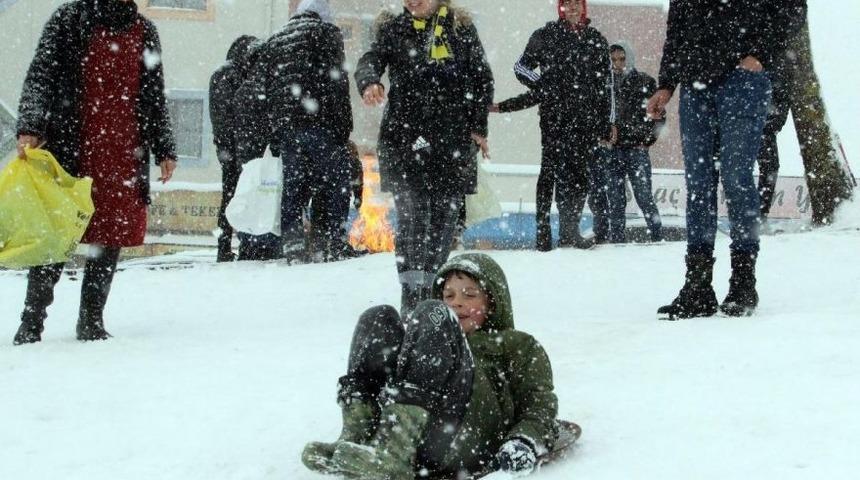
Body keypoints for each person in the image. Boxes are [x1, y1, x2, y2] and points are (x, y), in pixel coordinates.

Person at [301, 253, 559, 480]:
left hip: (466, 438)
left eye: (470, 294)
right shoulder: (428, 342)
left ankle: (394, 454)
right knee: (379, 317)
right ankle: (357, 436)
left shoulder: (517, 344)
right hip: (421, 439)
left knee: (432, 313)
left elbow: (540, 406)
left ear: (493, 302)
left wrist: (523, 441)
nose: (456, 302)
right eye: (449, 295)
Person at [12, 0, 176, 345]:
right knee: (57, 234)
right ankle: (31, 322)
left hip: (123, 153)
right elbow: (41, 74)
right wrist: (30, 126)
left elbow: (153, 94)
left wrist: (164, 147)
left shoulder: (145, 30)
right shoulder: (69, 19)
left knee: (110, 234)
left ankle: (91, 321)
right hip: (73, 147)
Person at [648, 0, 806, 319]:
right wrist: (666, 84)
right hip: (695, 82)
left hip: (743, 79)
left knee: (736, 178)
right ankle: (698, 286)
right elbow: (677, 28)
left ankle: (743, 282)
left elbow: (792, 8)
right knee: (699, 184)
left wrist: (760, 54)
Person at [355, 0, 494, 316]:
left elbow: (481, 78)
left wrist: (478, 128)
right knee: (413, 222)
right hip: (404, 141)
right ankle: (411, 298)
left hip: (451, 142)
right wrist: (370, 81)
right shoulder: (394, 28)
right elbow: (370, 59)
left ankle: (432, 297)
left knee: (443, 226)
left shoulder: (460, 29)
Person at [237, 0, 353, 264]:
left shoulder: (276, 39)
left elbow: (267, 89)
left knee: (293, 186)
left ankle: (293, 244)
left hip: (289, 128)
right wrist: (343, 127)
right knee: (334, 184)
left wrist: (276, 130)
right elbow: (338, 83)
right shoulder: (327, 33)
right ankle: (330, 242)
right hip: (322, 122)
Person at [511, 0, 612, 251]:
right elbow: (521, 67)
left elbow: (606, 85)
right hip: (553, 118)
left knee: (579, 175)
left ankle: (570, 232)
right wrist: (543, 85)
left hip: (585, 121)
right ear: (560, 8)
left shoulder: (596, 39)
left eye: (577, 3)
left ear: (584, 7)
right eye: (567, 3)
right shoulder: (545, 35)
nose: (573, 7)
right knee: (549, 172)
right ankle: (543, 234)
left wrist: (606, 121)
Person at [757, 12, 854, 227]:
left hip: (762, 123)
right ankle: (754, 215)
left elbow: (780, 100)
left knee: (766, 167)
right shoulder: (772, 57)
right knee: (761, 167)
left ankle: (756, 215)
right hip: (757, 121)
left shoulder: (777, 62)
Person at [603, 43, 663, 243]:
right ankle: (617, 241)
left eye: (622, 59)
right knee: (615, 200)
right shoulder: (604, 83)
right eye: (613, 59)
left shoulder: (645, 82)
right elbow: (596, 113)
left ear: (629, 58)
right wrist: (603, 136)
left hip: (637, 150)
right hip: (612, 150)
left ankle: (658, 238)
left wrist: (647, 141)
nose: (617, 64)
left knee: (644, 197)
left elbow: (660, 116)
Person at [209, 34, 259, 262]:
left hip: (225, 146)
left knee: (228, 196)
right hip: (242, 146)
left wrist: (223, 143)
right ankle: (248, 244)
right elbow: (242, 113)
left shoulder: (218, 75)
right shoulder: (240, 76)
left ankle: (224, 245)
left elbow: (218, 116)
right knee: (246, 194)